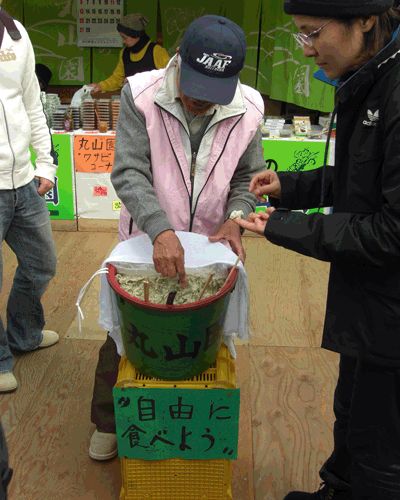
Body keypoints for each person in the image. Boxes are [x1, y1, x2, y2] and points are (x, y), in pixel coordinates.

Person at [234, 1, 400, 499]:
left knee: (381, 442)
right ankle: (338, 489)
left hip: (392, 308)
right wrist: (291, 187)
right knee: (350, 409)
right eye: (299, 35)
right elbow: (359, 182)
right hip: (368, 298)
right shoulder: (368, 77)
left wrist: (284, 227)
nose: (306, 51)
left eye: (313, 33)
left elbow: (392, 232)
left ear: (365, 18)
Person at [88, 14, 266, 460]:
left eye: (212, 97)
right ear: (179, 61)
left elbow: (248, 179)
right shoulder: (141, 94)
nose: (199, 103)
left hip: (210, 246)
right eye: (192, 90)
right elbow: (128, 170)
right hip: (145, 240)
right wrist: (160, 228)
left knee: (198, 333)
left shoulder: (249, 108)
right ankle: (109, 420)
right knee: (125, 334)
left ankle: (182, 416)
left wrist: (236, 215)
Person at [0, 5, 59, 393]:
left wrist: (46, 164)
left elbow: (32, 103)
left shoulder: (16, 33)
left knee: (42, 263)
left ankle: (23, 335)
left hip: (23, 180)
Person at [88, 13, 170, 94]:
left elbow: (169, 77)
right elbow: (117, 79)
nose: (123, 41)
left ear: (137, 36)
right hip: (130, 102)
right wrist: (100, 86)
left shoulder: (156, 51)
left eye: (125, 38)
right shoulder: (124, 53)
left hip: (153, 102)